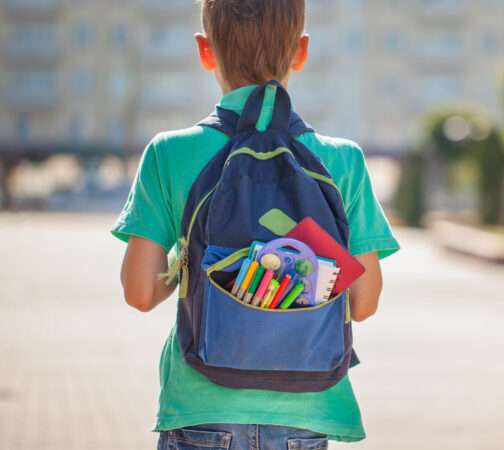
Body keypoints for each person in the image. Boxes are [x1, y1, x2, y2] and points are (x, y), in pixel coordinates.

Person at [111, 1, 400, 448]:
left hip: (200, 410)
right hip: (307, 415)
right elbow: (363, 302)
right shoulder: (343, 160)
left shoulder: (168, 153)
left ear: (205, 50)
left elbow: (140, 291)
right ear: (300, 52)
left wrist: (188, 256)